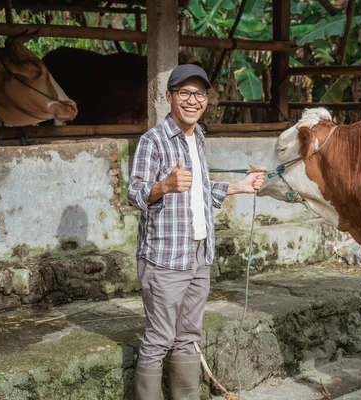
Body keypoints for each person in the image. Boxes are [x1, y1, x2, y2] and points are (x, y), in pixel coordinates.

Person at [127, 64, 264, 400]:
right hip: (165, 258)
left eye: (199, 93)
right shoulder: (153, 140)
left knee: (188, 335)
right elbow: (135, 192)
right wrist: (163, 186)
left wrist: (238, 186)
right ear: (169, 96)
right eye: (184, 92)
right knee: (159, 338)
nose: (192, 100)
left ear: (206, 99)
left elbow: (200, 189)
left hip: (199, 254)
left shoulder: (198, 137)